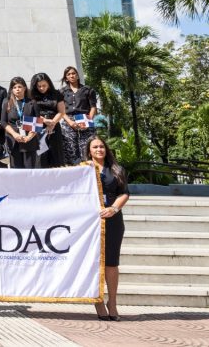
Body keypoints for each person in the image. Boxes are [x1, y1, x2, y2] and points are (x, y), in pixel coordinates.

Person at [86, 136, 130, 321]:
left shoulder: (117, 169)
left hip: (113, 220)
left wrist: (113, 208)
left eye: (101, 146)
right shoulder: (82, 169)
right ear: (89, 150)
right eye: (95, 147)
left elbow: (124, 193)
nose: (99, 149)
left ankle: (112, 302)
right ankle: (97, 301)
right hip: (90, 222)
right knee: (95, 263)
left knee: (111, 263)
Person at [60, 66, 99, 166]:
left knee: (87, 146)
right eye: (68, 74)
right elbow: (61, 110)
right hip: (69, 120)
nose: (71, 75)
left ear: (77, 75)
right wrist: (70, 122)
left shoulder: (87, 90)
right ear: (66, 78)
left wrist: (87, 122)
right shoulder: (62, 92)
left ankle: (90, 173)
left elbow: (93, 108)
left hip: (85, 119)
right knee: (70, 149)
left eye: (73, 73)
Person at [27, 72, 67, 167]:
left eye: (44, 85)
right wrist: (44, 121)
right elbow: (29, 113)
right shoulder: (30, 95)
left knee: (56, 154)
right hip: (37, 127)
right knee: (40, 156)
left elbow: (61, 112)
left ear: (49, 83)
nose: (42, 88)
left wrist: (52, 123)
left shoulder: (57, 94)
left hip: (54, 125)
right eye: (39, 86)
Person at [1, 76, 41, 168]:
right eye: (14, 87)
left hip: (29, 140)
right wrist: (15, 135)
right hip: (13, 140)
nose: (17, 89)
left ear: (24, 88)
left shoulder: (32, 102)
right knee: (16, 169)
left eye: (19, 87)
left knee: (29, 168)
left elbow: (38, 122)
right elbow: (3, 122)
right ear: (11, 90)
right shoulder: (7, 102)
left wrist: (29, 137)